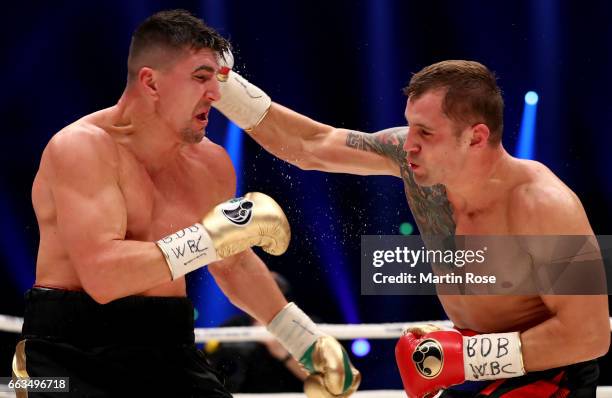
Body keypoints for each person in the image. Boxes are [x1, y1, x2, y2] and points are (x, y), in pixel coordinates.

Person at [13, 9, 359, 397]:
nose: (215, 94)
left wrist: (304, 340)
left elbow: (233, 262)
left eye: (216, 80)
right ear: (151, 82)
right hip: (65, 353)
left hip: (167, 346)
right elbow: (104, 277)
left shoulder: (210, 164)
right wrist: (212, 236)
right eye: (200, 78)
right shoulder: (82, 148)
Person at [213, 59, 610, 396]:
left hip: (548, 373)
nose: (408, 145)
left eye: (426, 133)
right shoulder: (412, 162)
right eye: (410, 127)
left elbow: (590, 334)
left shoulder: (545, 207)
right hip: (474, 360)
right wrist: (223, 85)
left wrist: (467, 358)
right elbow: (311, 145)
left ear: (476, 137)